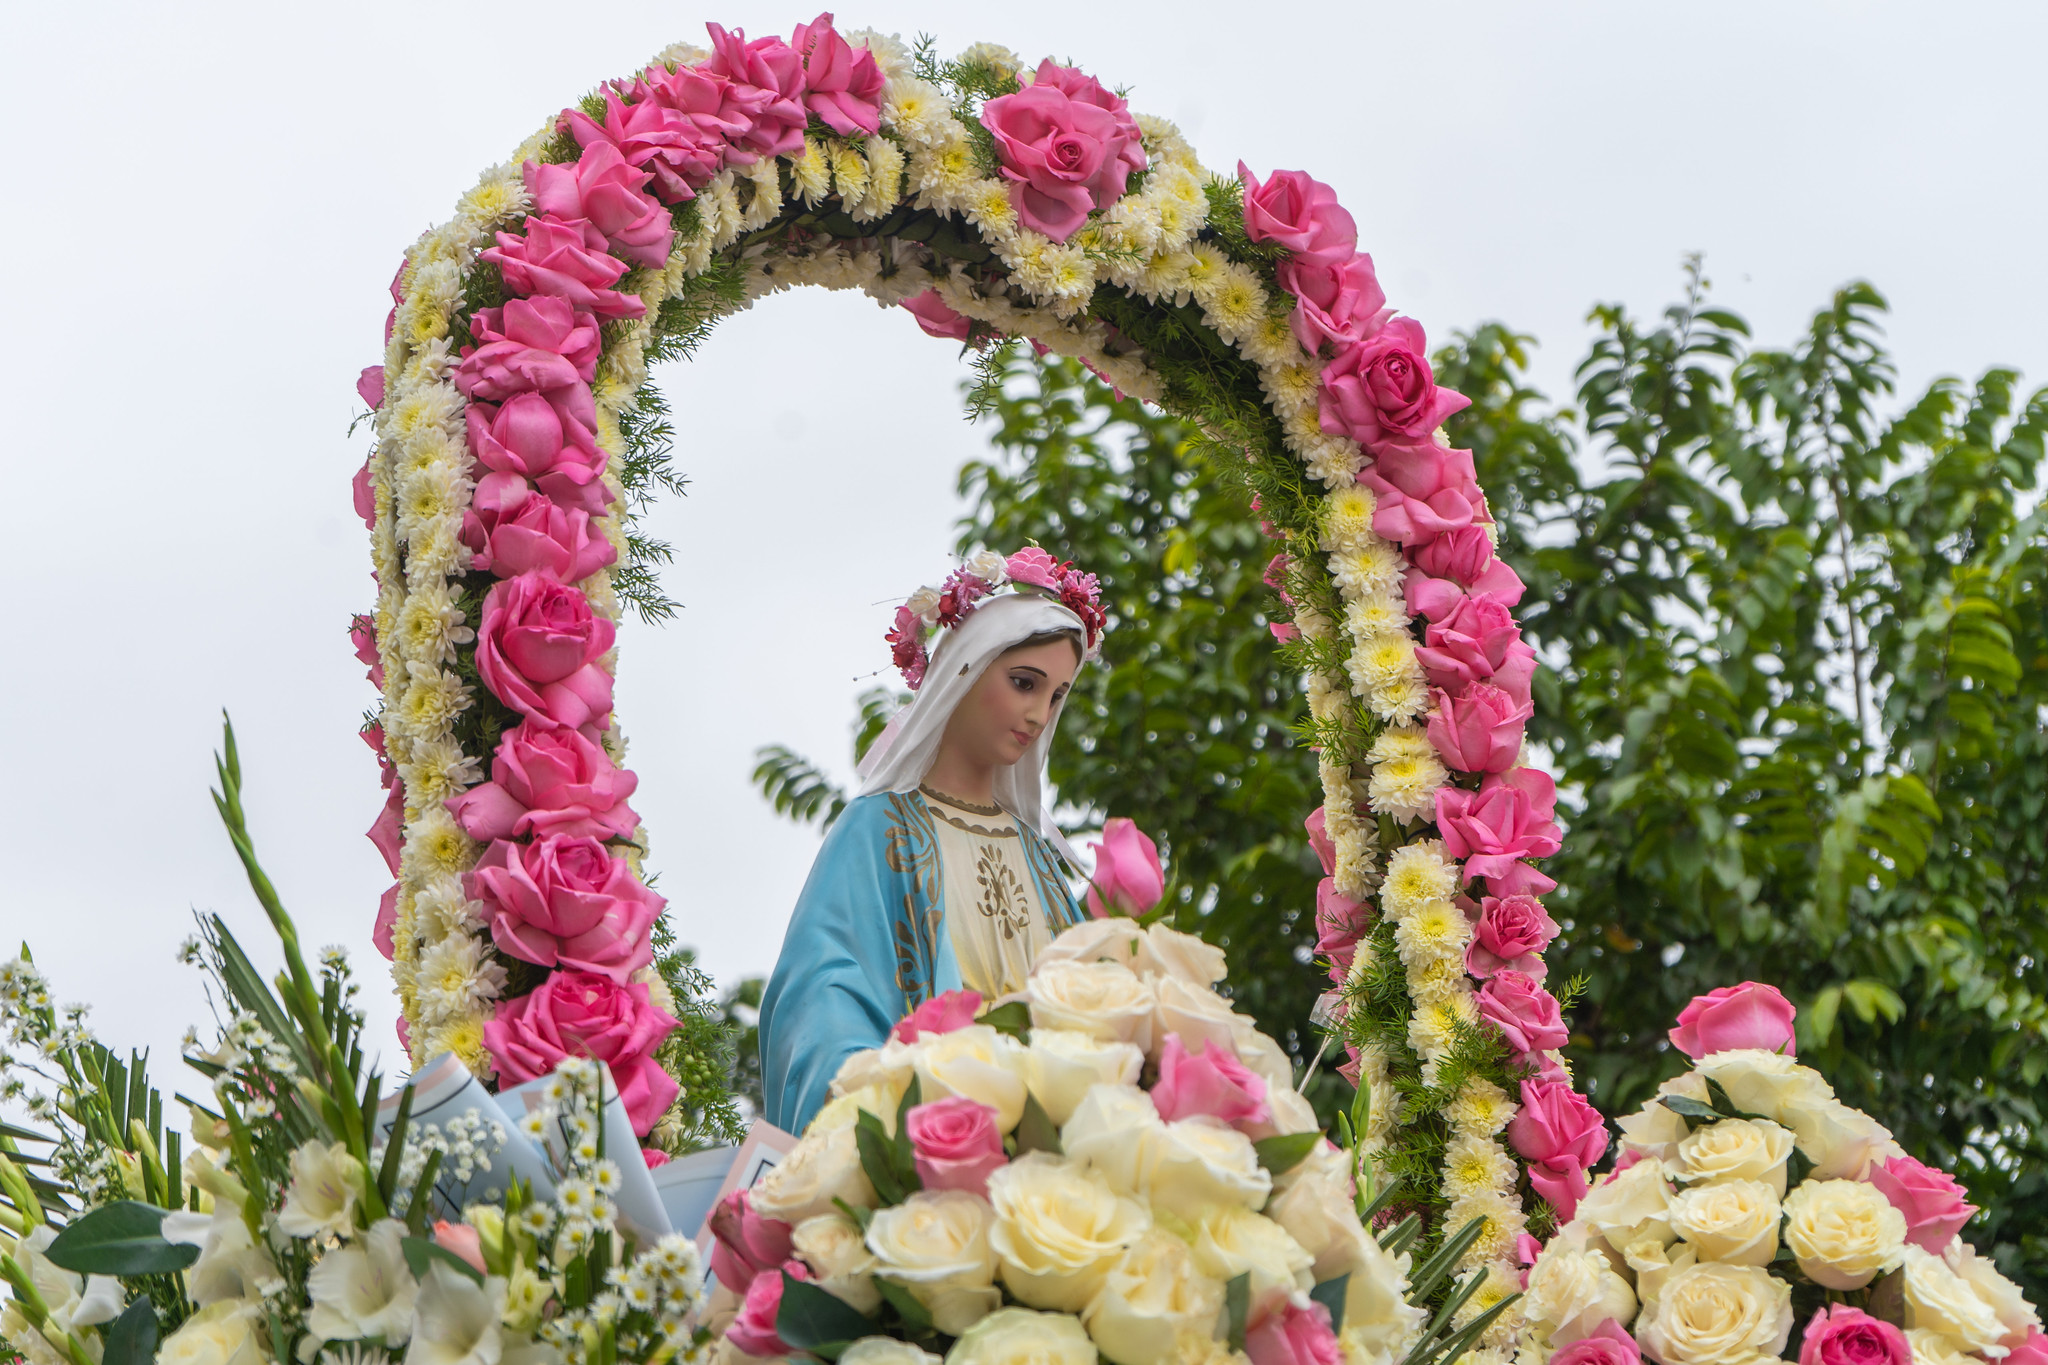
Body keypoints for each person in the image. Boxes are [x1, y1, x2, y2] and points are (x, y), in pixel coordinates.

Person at [757, 548, 1109, 1132]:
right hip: (938, 1138)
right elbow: (821, 995)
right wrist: (887, 1100)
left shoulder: (1039, 859)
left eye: (1056, 696)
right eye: (1024, 683)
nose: (1039, 714)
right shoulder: (879, 829)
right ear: (965, 668)